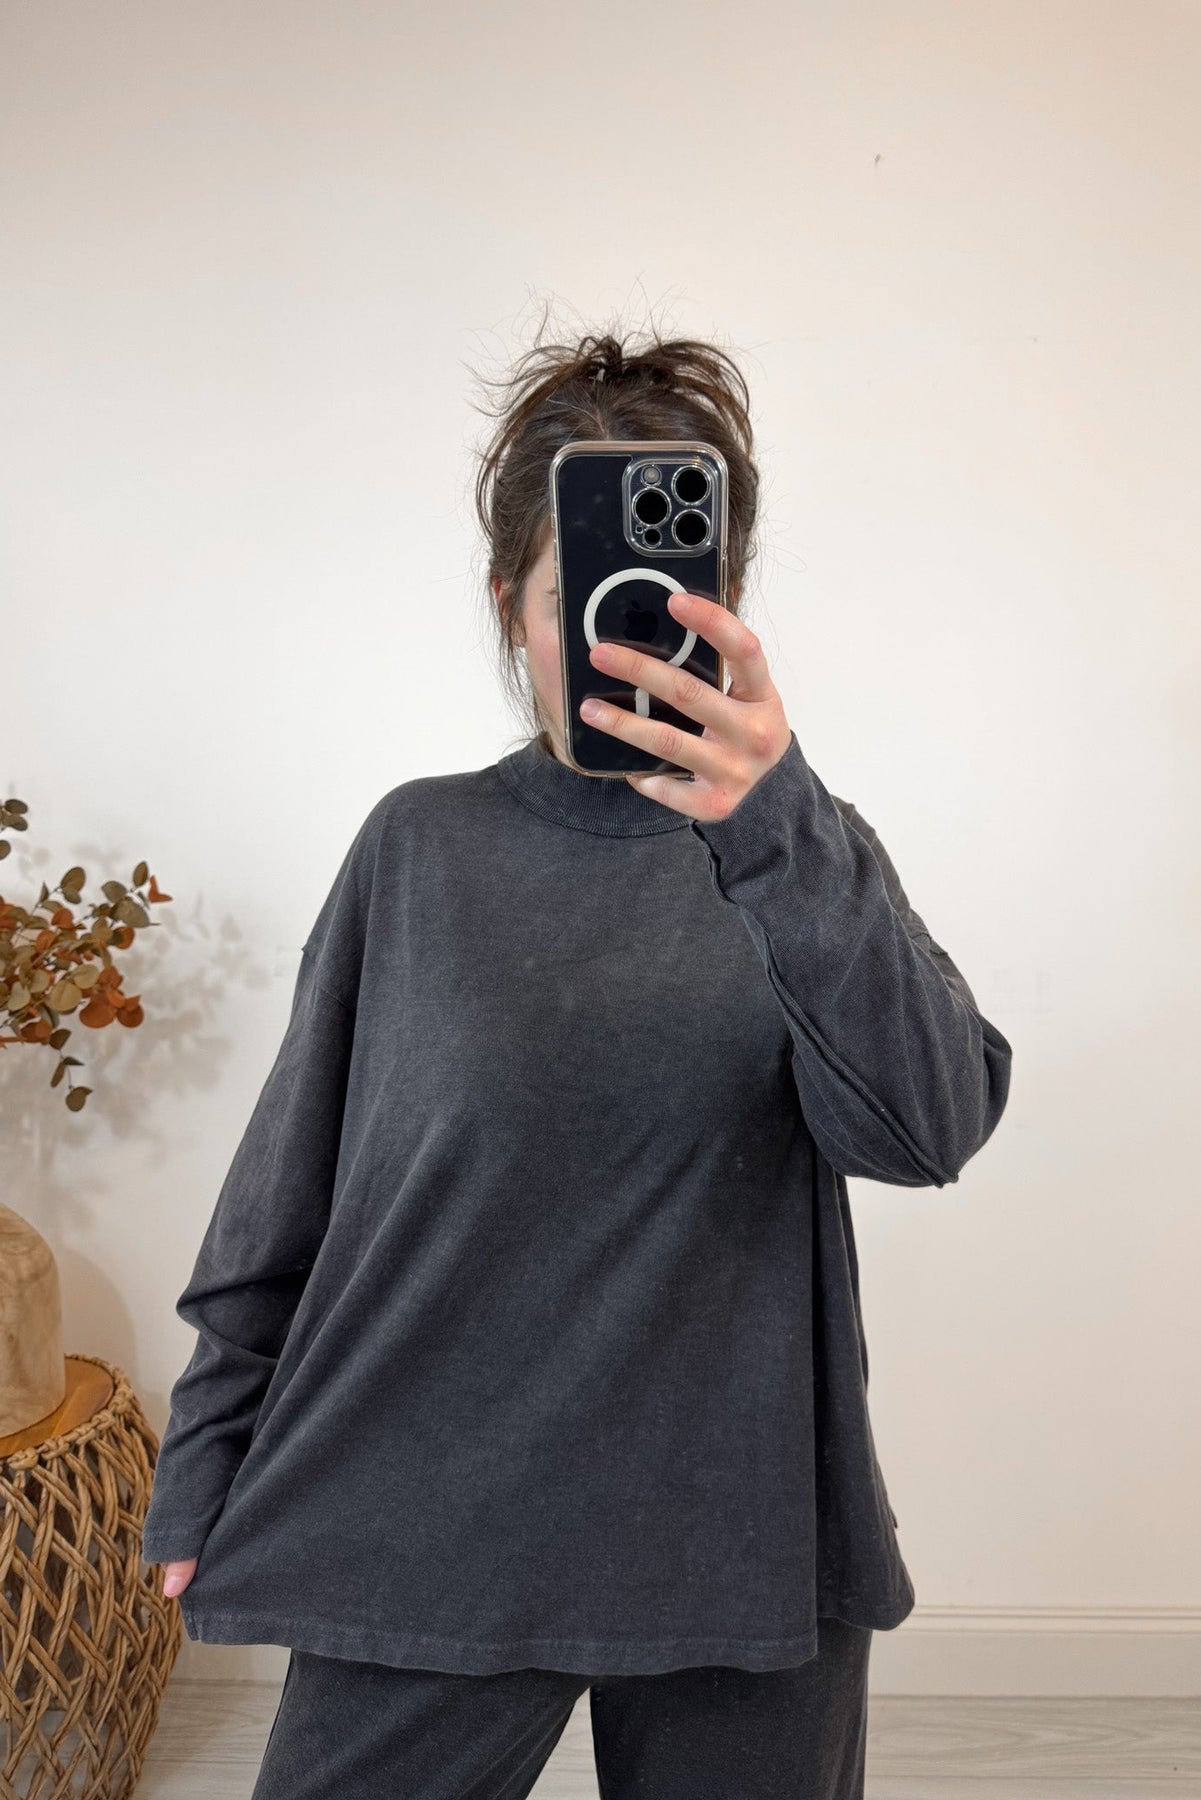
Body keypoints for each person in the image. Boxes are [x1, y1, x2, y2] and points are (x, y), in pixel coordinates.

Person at [140, 324, 1013, 1799]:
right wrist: (207, 1444)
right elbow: (289, 1192)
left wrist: (776, 824)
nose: (623, 648)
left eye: (669, 606)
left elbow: (926, 1127)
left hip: (737, 1527)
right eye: (580, 603)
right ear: (512, 606)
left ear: (726, 608)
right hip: (425, 1505)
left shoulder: (806, 856)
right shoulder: (418, 849)